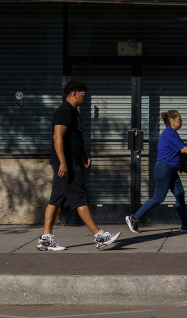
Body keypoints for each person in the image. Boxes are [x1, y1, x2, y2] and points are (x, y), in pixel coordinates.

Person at [37, 81, 121, 251]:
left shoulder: (73, 112)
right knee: (80, 197)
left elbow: (77, 137)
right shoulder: (64, 111)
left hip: (72, 160)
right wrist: (63, 162)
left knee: (55, 200)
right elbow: (57, 137)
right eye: (83, 93)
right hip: (67, 163)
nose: (85, 96)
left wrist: (85, 154)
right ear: (74, 94)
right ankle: (99, 236)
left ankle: (45, 239)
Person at [125, 109, 187, 234]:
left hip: (171, 170)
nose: (181, 121)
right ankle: (134, 218)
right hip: (165, 170)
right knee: (158, 198)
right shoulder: (170, 133)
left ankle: (185, 224)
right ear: (172, 121)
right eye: (179, 119)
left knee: (180, 193)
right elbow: (184, 149)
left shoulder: (171, 133)